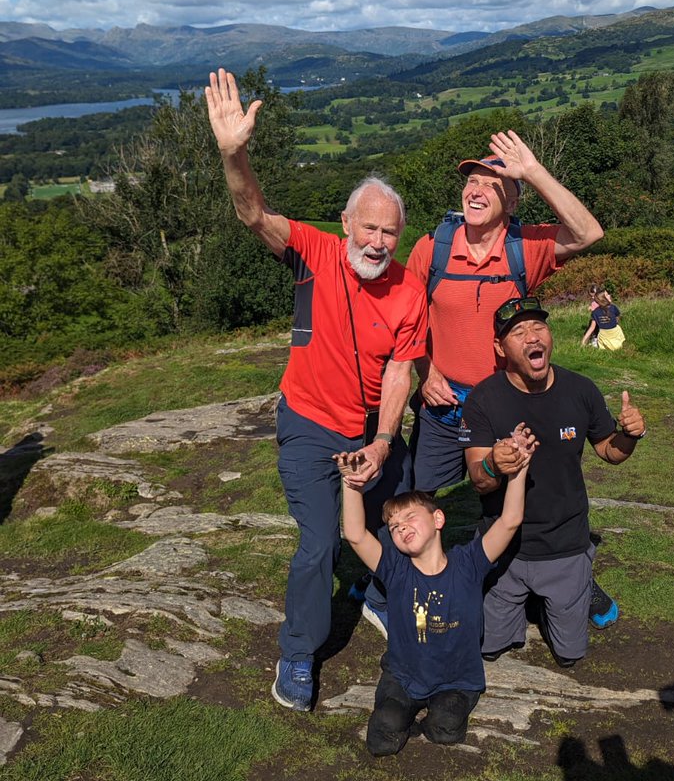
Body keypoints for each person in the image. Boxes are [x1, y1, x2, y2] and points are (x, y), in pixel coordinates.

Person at [204, 68, 427, 712]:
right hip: (307, 423)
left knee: (401, 506)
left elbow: (398, 372)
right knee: (321, 542)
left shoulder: (409, 291)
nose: (378, 242)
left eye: (390, 232)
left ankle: (380, 591)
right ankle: (297, 654)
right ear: (346, 223)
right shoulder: (316, 252)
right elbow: (253, 212)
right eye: (369, 228)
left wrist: (385, 441)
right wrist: (233, 152)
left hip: (369, 429)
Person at [405, 128, 604, 495]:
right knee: (421, 499)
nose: (476, 191)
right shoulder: (432, 248)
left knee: (505, 500)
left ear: (512, 205)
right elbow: (407, 323)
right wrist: (426, 372)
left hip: (507, 397)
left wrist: (532, 172)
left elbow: (587, 233)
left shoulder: (525, 247)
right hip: (443, 398)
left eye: (492, 186)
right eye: (472, 182)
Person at [460, 296, 647, 668]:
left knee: (570, 654)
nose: (532, 337)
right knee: (490, 647)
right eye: (518, 331)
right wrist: (496, 464)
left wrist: (630, 435)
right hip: (504, 547)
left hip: (566, 544)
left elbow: (610, 452)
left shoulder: (581, 390)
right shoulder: (482, 399)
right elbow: (479, 480)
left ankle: (566, 591)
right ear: (500, 347)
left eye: (539, 327)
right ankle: (518, 596)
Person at [335, 426, 536, 756]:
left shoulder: (470, 562)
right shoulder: (395, 569)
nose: (401, 528)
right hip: (403, 676)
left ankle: (431, 720)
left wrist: (519, 470)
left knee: (446, 731)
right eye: (395, 527)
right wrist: (353, 485)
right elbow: (356, 535)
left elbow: (510, 521)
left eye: (410, 518)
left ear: (438, 518)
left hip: (458, 678)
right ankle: (402, 719)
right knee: (382, 736)